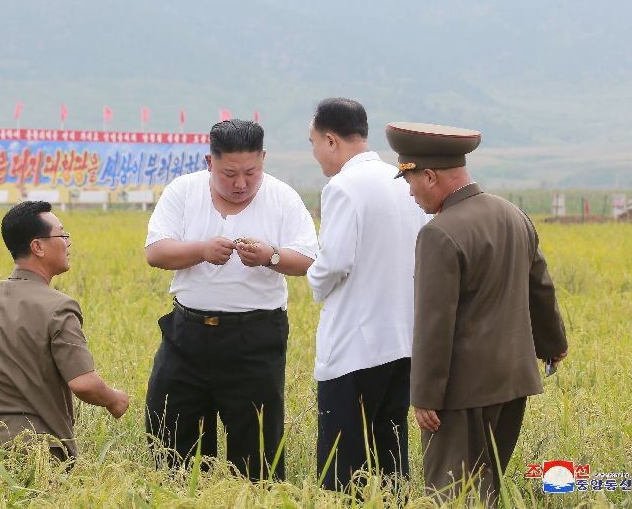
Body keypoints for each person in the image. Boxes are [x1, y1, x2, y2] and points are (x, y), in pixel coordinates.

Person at [387, 122, 569, 504]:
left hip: (460, 394)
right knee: (489, 488)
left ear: (430, 176)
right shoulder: (513, 214)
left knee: (451, 494)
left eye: (411, 180)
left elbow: (435, 324)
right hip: (513, 384)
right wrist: (554, 345)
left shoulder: (439, 233)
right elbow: (541, 287)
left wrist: (425, 396)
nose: (410, 191)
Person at [144, 119, 318, 481]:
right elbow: (156, 252)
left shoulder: (282, 197)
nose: (241, 184)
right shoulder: (184, 191)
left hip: (255, 338)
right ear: (210, 162)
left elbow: (307, 259)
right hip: (187, 335)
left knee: (257, 451)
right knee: (173, 438)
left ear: (263, 159)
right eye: (229, 174)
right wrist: (201, 250)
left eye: (251, 173)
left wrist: (270, 256)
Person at [306, 99, 429, 492]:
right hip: (402, 341)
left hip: (354, 347)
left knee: (344, 468)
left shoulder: (343, 186)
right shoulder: (402, 180)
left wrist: (312, 280)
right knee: (390, 454)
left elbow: (333, 262)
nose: (315, 154)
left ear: (330, 140)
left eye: (313, 143)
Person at [0, 200, 129, 465]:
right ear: (38, 247)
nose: (68, 243)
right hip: (38, 451)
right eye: (62, 235)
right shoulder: (59, 307)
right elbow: (84, 383)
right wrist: (114, 399)